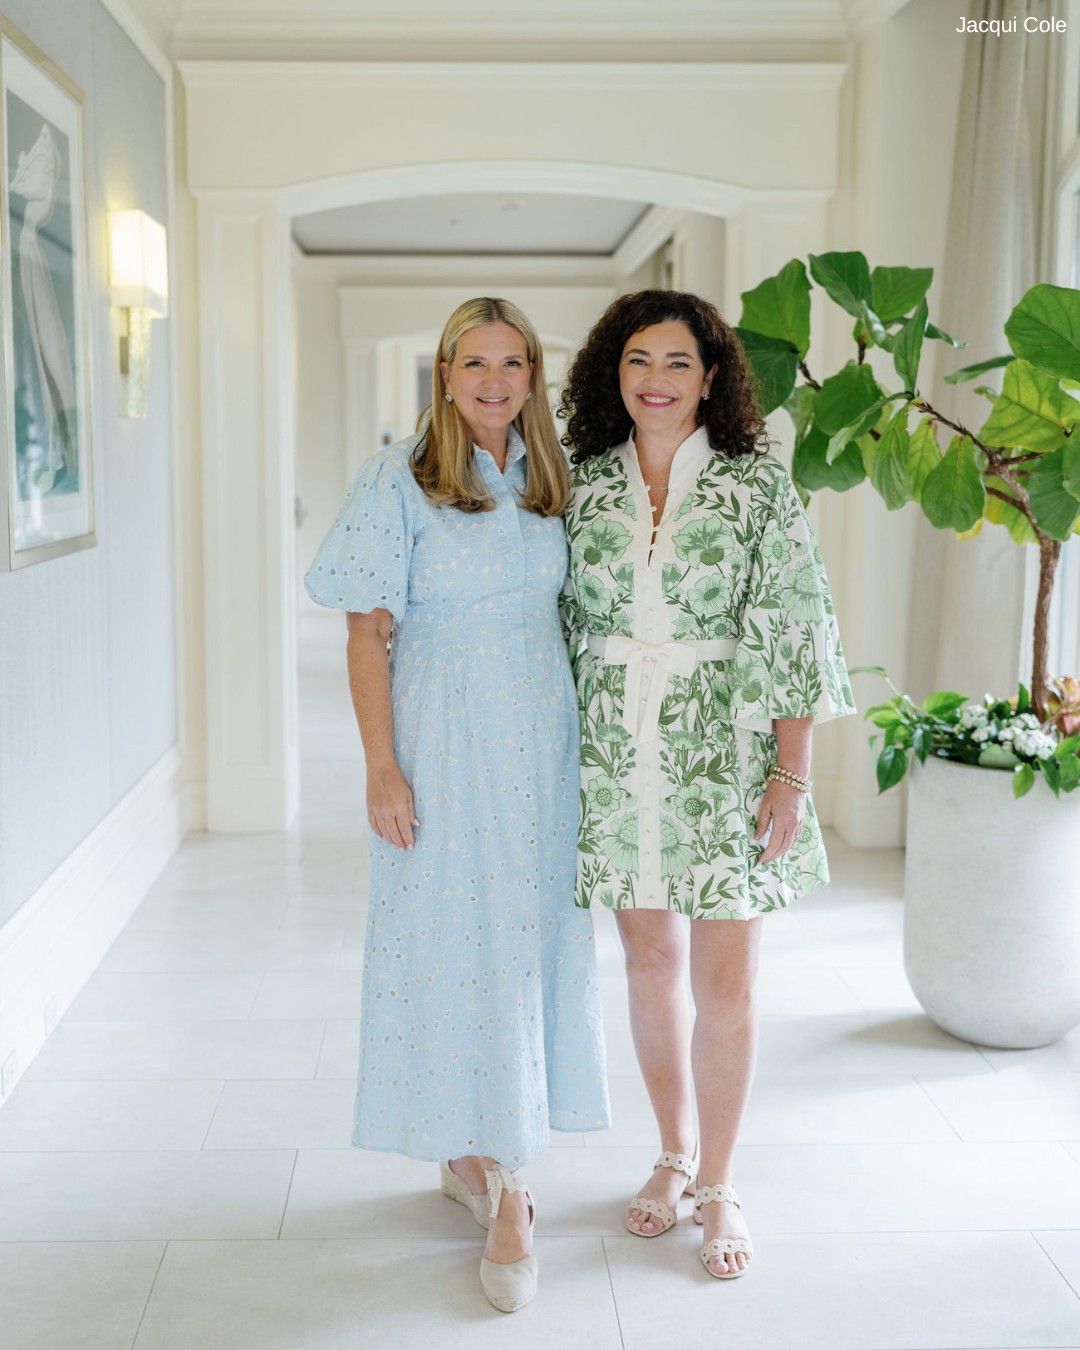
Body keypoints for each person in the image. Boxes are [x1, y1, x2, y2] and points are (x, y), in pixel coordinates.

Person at [305, 297, 609, 1313]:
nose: (492, 380)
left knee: (526, 944)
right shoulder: (397, 478)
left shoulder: (553, 479)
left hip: (543, 733)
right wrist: (380, 768)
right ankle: (506, 1184)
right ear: (444, 374)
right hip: (442, 733)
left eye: (511, 362)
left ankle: (488, 1160)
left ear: (532, 375)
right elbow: (364, 634)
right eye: (473, 362)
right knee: (458, 942)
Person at [558, 290, 855, 1280]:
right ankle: (673, 1156)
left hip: (723, 754)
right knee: (648, 966)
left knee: (726, 976)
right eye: (638, 360)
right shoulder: (581, 485)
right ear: (615, 371)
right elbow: (549, 624)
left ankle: (722, 1181)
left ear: (712, 376)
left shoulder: (758, 486)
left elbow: (794, 625)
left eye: (677, 362)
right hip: (615, 751)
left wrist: (791, 771)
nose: (655, 380)